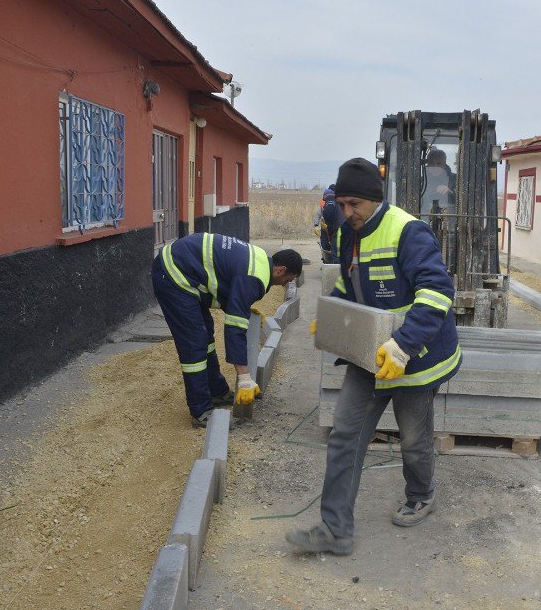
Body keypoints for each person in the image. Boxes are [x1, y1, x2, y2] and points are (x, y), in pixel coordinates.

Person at [286, 157, 462, 556]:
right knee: (346, 433)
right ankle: (335, 530)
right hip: (370, 354)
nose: (346, 213)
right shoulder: (351, 233)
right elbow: (352, 283)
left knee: (414, 441)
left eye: (353, 205)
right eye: (341, 204)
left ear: (374, 200)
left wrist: (402, 346)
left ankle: (421, 493)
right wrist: (333, 314)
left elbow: (437, 293)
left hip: (416, 356)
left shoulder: (409, 232)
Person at [151, 234, 303, 427]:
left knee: (206, 336)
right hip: (174, 274)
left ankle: (217, 392)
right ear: (281, 270)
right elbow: (234, 328)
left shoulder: (260, 260)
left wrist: (242, 309)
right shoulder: (254, 277)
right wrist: (244, 377)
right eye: (287, 280)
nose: (284, 285)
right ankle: (200, 410)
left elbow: (226, 280)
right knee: (194, 342)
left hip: (185, 268)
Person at [313, 184, 344, 264]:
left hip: (326, 227)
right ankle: (334, 264)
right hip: (335, 228)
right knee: (335, 247)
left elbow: (317, 214)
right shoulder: (340, 200)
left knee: (326, 246)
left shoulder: (324, 202)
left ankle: (328, 262)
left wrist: (316, 225)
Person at [420, 148, 455, 217]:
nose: (435, 166)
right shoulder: (420, 181)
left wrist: (450, 192)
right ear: (427, 163)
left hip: (450, 221)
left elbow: (464, 202)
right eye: (432, 163)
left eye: (438, 163)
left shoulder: (456, 179)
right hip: (423, 218)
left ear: (444, 163)